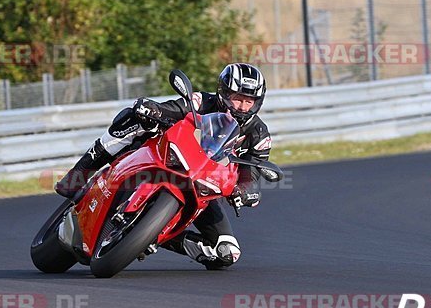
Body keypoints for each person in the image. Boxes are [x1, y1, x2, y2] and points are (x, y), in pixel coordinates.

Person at [55, 63, 272, 270]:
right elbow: (175, 108)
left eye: (248, 101)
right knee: (134, 117)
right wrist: (154, 110)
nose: (242, 106)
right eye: (237, 99)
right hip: (168, 156)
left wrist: (244, 191)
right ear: (223, 93)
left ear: (257, 102)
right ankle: (79, 174)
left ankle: (154, 235)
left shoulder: (259, 135)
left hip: (202, 185)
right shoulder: (202, 102)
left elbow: (251, 173)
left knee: (227, 253)